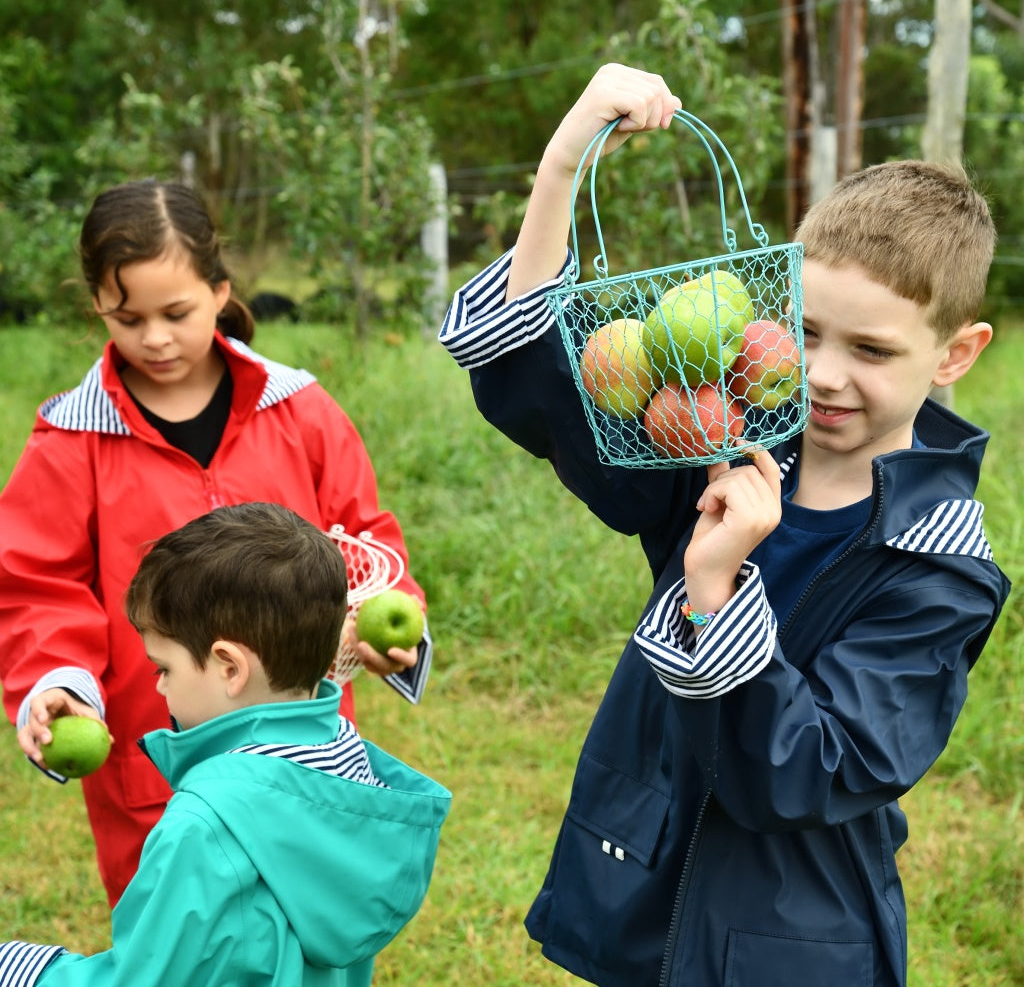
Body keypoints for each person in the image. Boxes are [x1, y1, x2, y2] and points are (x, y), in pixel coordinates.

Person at [437, 64, 1011, 987]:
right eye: (807, 328)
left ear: (955, 353)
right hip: (646, 893)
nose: (823, 374)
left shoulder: (937, 569)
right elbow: (552, 403)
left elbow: (812, 771)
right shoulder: (723, 445)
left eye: (872, 350)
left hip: (789, 943)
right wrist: (560, 168)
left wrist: (715, 589)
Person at [0, 179, 433, 908]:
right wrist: (60, 684)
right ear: (97, 308)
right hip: (159, 766)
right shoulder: (71, 440)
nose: (156, 338)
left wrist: (391, 623)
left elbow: (363, 539)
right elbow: (36, 585)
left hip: (304, 749)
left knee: (307, 922)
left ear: (220, 292)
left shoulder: (299, 411)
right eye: (127, 318)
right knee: (180, 939)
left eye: (176, 313)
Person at [0, 502, 451, 987]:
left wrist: (25, 970)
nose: (159, 688)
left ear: (229, 667)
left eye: (163, 668)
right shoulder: (351, 771)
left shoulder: (204, 826)